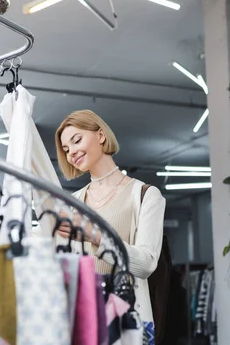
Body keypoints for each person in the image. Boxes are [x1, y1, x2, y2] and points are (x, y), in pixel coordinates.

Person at [54, 109, 166, 332]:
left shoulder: (145, 195)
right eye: (66, 149)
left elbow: (145, 264)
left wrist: (94, 235)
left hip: (128, 322)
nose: (72, 152)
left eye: (77, 141)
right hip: (82, 321)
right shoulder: (72, 203)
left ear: (101, 136)